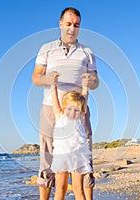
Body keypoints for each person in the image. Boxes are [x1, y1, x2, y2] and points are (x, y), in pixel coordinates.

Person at [32, 7, 99, 200]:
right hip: (50, 109)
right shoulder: (46, 49)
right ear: (60, 24)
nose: (72, 29)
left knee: (84, 155)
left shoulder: (87, 52)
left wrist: (90, 82)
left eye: (76, 25)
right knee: (47, 157)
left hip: (79, 109)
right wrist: (48, 80)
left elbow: (95, 81)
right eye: (68, 24)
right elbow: (36, 78)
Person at [50, 73, 92, 200]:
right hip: (61, 156)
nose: (73, 113)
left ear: (80, 109)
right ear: (64, 107)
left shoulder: (81, 116)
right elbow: (54, 98)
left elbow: (84, 96)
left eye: (76, 110)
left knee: (78, 189)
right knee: (60, 189)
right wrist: (53, 84)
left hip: (77, 156)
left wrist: (85, 85)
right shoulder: (59, 115)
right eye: (69, 109)